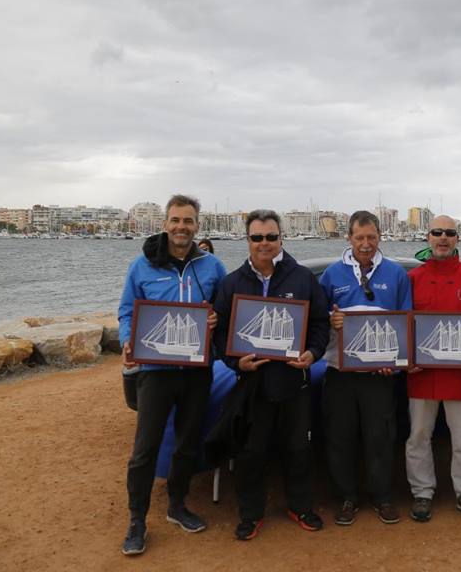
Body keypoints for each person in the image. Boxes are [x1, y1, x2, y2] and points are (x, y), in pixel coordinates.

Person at [117, 194, 227, 556]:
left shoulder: (212, 266)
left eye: (188, 221)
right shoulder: (141, 266)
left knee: (187, 443)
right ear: (165, 224)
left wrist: (217, 318)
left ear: (197, 226)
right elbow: (127, 311)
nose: (182, 226)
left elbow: (225, 309)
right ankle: (137, 520)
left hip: (197, 371)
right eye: (176, 220)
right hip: (155, 371)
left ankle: (177, 506)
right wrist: (127, 339)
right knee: (145, 448)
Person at [211, 209, 330, 541]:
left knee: (298, 448)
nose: (264, 243)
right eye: (257, 237)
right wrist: (236, 362)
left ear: (281, 238)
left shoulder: (302, 278)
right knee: (251, 450)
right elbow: (220, 333)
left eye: (271, 237)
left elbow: (320, 324)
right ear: (247, 240)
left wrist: (313, 353)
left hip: (294, 380)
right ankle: (250, 514)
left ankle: (300, 506)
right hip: (252, 383)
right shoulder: (232, 283)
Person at [319, 211, 413, 526]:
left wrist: (394, 363)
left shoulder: (396, 274)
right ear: (349, 238)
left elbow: (406, 320)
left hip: (379, 374)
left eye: (371, 237)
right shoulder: (332, 274)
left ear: (379, 237)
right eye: (359, 237)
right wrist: (331, 320)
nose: (365, 243)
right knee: (340, 437)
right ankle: (346, 497)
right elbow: (316, 320)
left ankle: (382, 496)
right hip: (340, 372)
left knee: (380, 437)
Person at [406, 215, 461, 524]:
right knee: (418, 435)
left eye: (450, 233)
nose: (443, 237)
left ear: (458, 238)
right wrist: (405, 357)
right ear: (427, 237)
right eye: (437, 232)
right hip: (422, 374)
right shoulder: (412, 278)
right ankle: (422, 492)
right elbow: (403, 325)